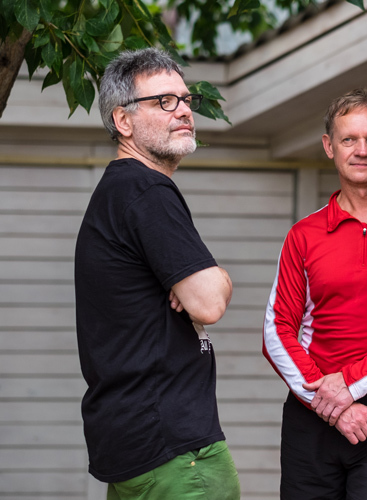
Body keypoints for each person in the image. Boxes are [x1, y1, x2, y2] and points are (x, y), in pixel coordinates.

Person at [75, 48, 240, 500]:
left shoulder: (117, 191)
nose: (184, 110)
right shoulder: (145, 189)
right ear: (123, 121)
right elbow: (209, 302)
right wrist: (219, 278)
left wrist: (201, 281)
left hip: (136, 447)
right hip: (176, 452)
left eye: (185, 99)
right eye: (164, 101)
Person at [263, 89, 367, 499]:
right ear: (329, 147)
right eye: (349, 139)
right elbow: (276, 330)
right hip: (311, 414)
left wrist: (350, 387)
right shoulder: (304, 235)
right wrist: (331, 403)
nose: (361, 150)